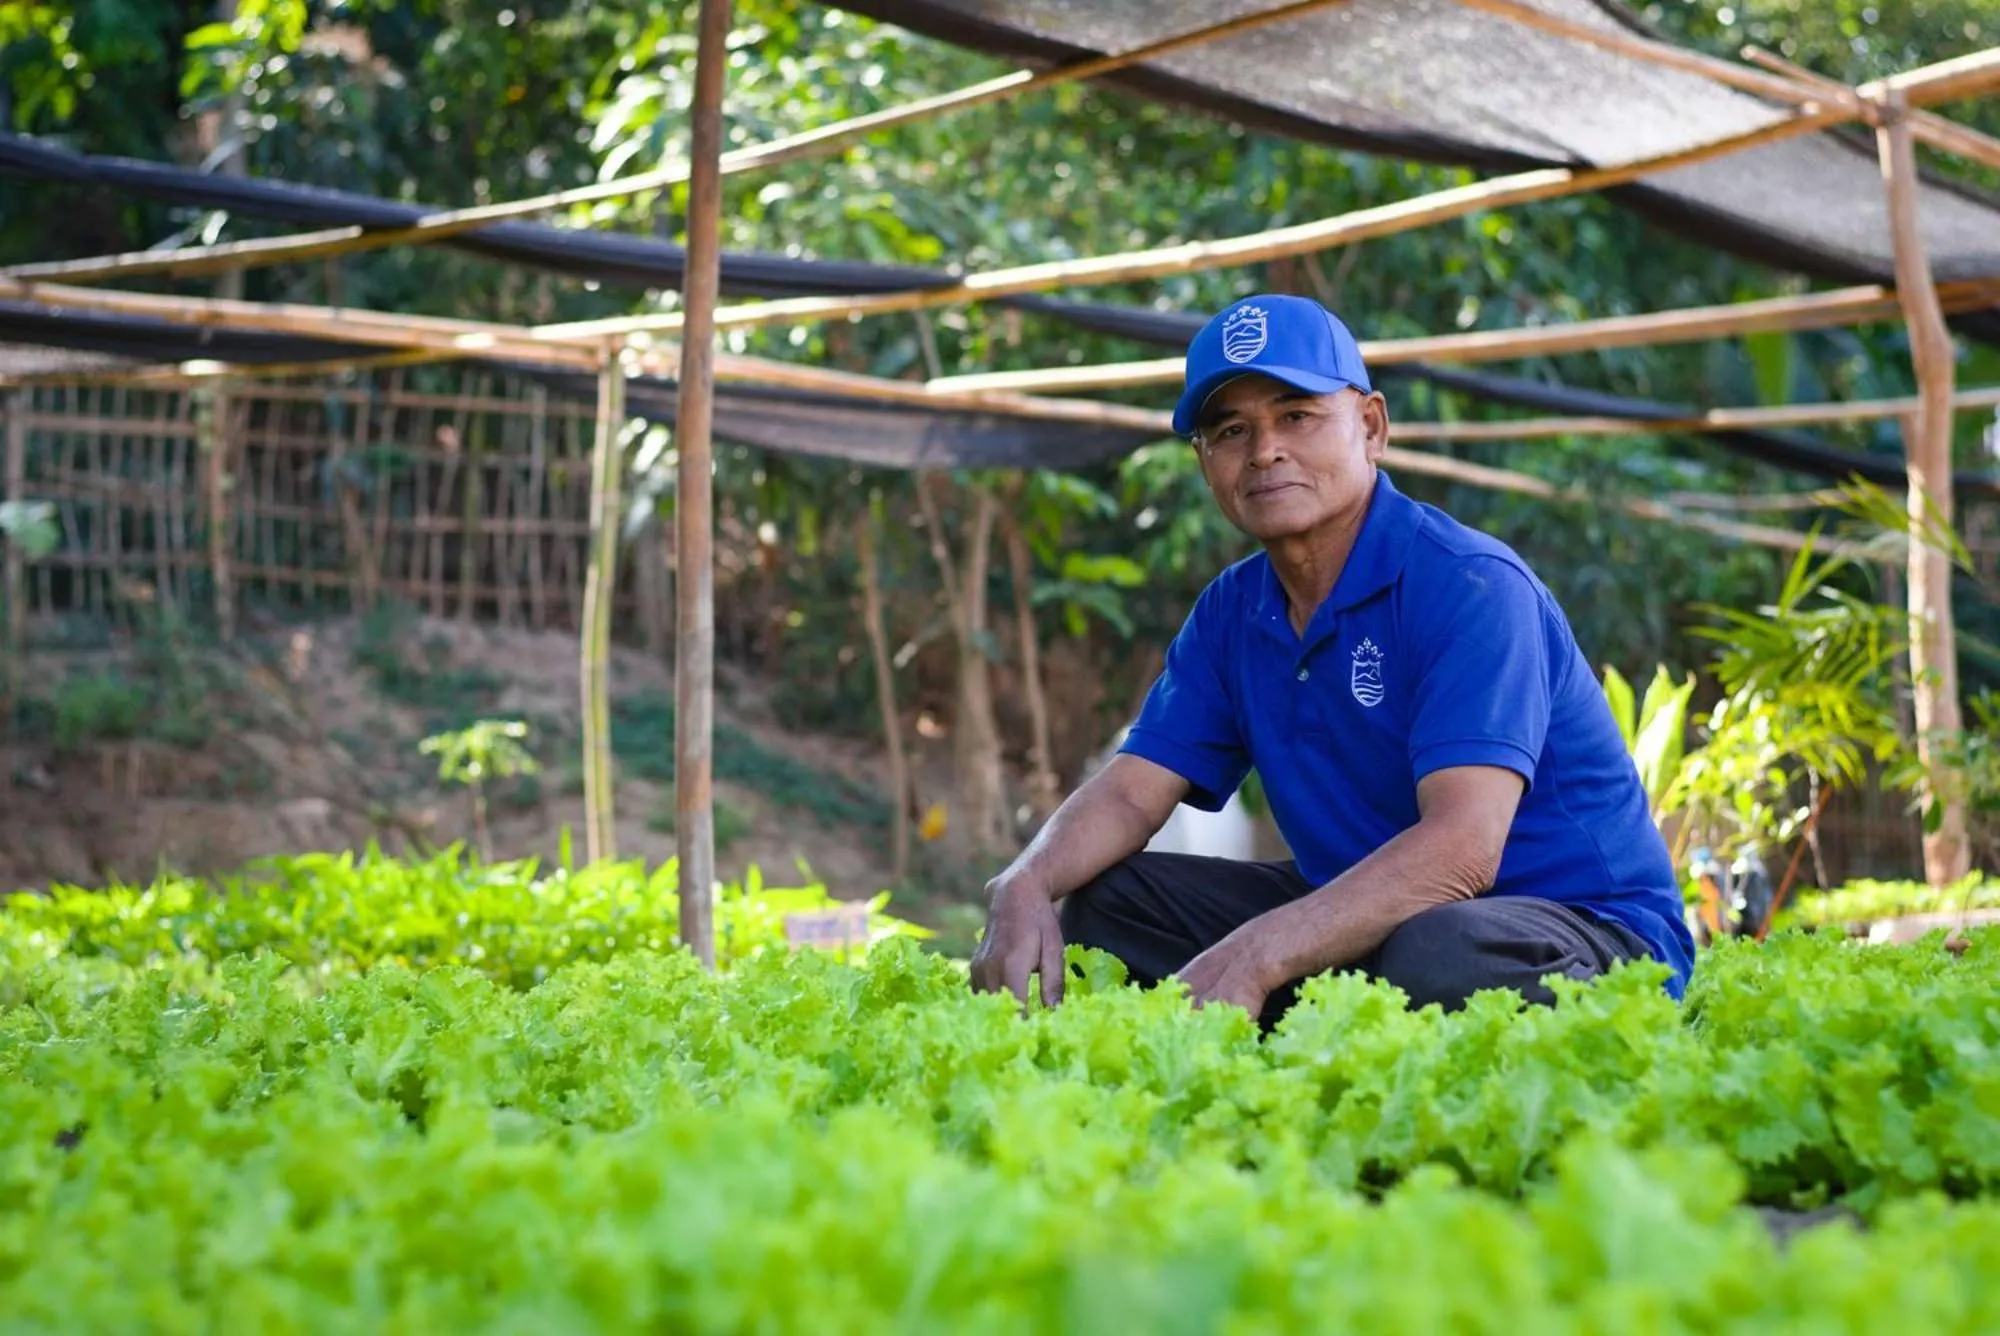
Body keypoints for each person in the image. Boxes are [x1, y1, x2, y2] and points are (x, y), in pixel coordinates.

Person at [968, 294, 1695, 1025]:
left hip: (1571, 930)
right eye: (1231, 430)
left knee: (1439, 954)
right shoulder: (1231, 612)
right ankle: (1321, 1037)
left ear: (1371, 427)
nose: (1264, 451)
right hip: (1372, 920)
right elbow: (1131, 794)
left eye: (1296, 416)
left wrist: (1259, 953)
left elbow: (1464, 850)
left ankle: (1326, 1022)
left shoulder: (1469, 585)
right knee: (1107, 904)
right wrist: (1025, 880)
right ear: (1204, 461)